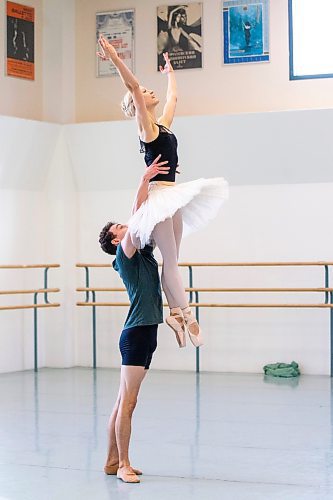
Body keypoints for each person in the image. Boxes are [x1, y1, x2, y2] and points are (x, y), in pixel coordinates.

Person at [97, 36, 228, 349]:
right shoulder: (146, 127)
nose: (147, 91)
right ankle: (185, 312)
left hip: (173, 193)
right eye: (144, 91)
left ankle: (175, 313)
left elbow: (173, 100)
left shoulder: (164, 126)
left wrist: (171, 72)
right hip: (158, 198)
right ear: (137, 103)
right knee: (169, 260)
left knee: (174, 260)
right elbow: (133, 88)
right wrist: (115, 59)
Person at [99, 155, 169, 483]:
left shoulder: (141, 253)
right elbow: (137, 216)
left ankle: (112, 461)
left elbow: (142, 223)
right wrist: (145, 180)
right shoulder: (123, 254)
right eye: (120, 229)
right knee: (128, 402)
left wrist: (155, 185)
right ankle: (124, 463)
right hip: (137, 333)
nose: (126, 228)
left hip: (145, 331)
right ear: (115, 240)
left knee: (124, 399)